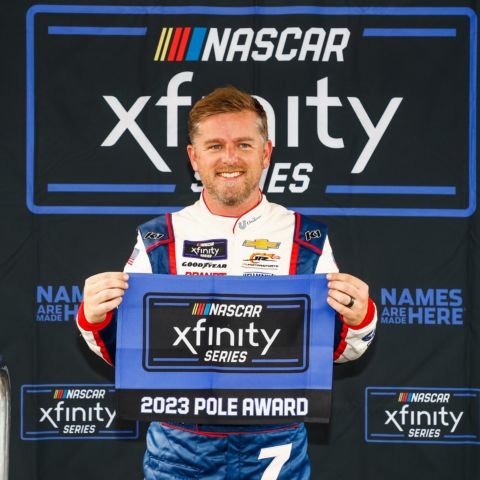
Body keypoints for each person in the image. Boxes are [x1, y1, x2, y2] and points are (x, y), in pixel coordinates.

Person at [77, 86, 377, 480]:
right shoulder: (160, 237)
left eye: (244, 144)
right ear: (194, 158)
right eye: (215, 145)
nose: (230, 158)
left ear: (266, 152)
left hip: (276, 444)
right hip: (180, 447)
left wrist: (361, 319)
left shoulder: (306, 237)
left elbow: (334, 353)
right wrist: (93, 319)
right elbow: (130, 356)